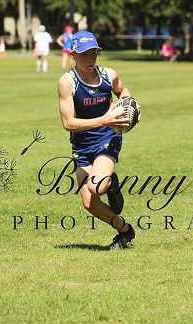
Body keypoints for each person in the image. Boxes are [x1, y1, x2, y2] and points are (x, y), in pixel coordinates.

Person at [57, 31, 139, 250]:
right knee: (89, 203)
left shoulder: (108, 75)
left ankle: (109, 183)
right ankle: (125, 231)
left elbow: (124, 92)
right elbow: (68, 123)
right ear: (73, 54)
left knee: (96, 187)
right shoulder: (68, 82)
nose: (90, 58)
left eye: (94, 52)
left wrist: (132, 110)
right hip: (81, 147)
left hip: (107, 139)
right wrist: (104, 118)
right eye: (84, 54)